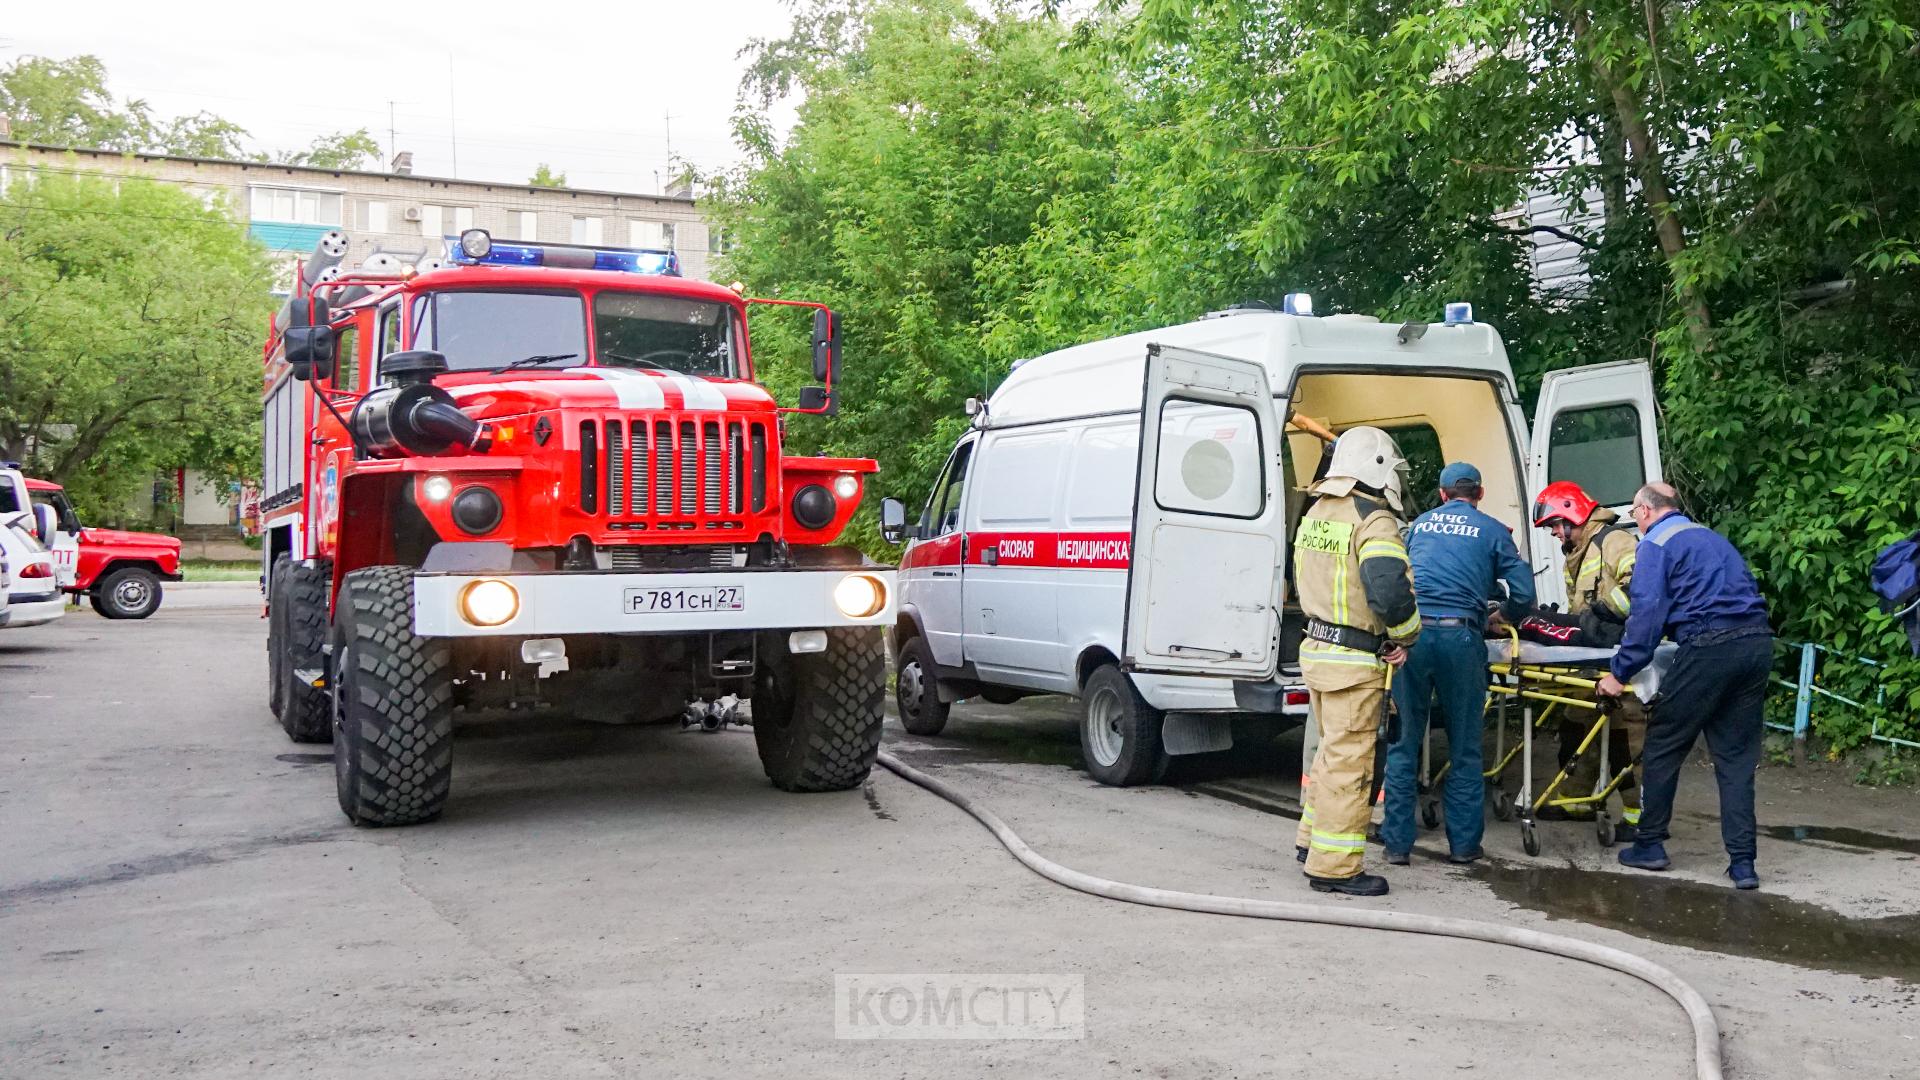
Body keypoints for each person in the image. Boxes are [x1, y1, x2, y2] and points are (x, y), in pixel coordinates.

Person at [1595, 482, 1772, 890]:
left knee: (1663, 743)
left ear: (1643, 511)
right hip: (1756, 645)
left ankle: (1650, 844)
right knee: (1735, 761)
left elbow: (1646, 619)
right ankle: (1743, 864)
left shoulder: (1655, 544)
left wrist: (1618, 674)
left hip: (1710, 647)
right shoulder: (1710, 537)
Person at [1381, 463, 1535, 865]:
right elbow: (1523, 592)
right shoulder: (1492, 530)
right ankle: (1464, 847)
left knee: (1404, 742)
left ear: (1443, 494)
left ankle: (1397, 845)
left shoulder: (1417, 527)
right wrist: (1502, 615)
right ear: (1479, 494)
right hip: (1462, 637)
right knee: (1465, 745)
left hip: (1412, 638)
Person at [1291, 426, 1420, 897]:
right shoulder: (1373, 519)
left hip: (1319, 651)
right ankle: (1335, 867)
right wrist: (1405, 635)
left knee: (1329, 757)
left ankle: (1311, 843)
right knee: (1351, 766)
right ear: (1381, 468)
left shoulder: (1317, 512)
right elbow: (1389, 591)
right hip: (1354, 662)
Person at [1531, 479, 1645, 824]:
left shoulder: (1614, 541)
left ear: (1572, 514)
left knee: (1627, 735)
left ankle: (1640, 815)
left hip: (1622, 660)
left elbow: (1641, 584)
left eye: (1554, 525)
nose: (1554, 534)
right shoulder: (1577, 554)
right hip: (1592, 661)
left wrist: (1604, 613)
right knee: (1576, 726)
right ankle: (1576, 798)